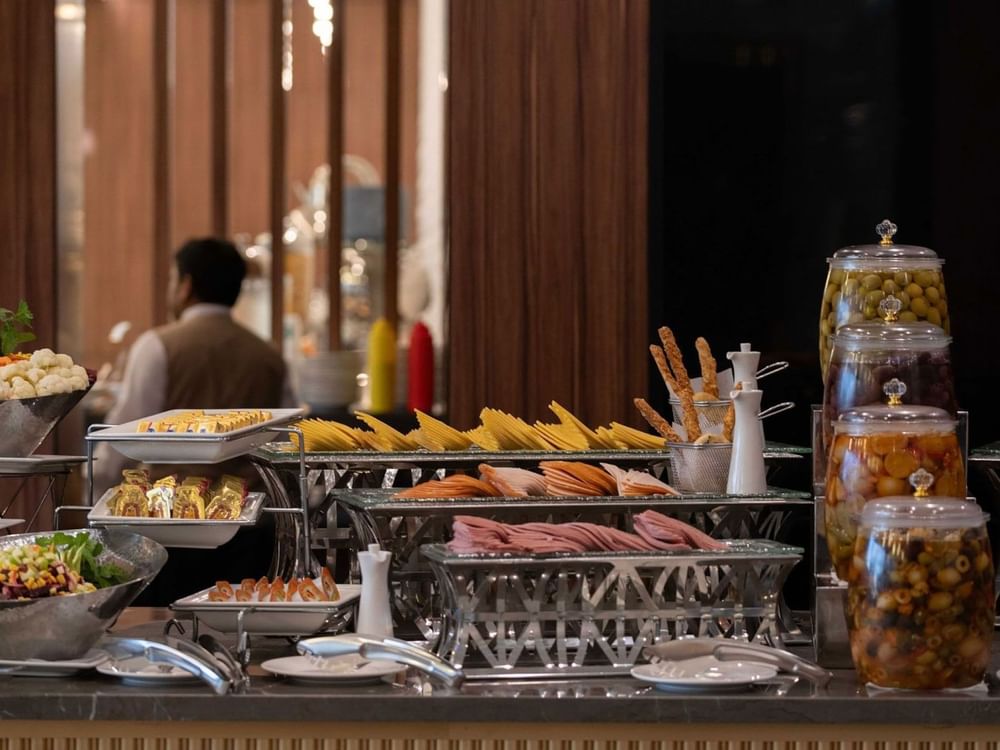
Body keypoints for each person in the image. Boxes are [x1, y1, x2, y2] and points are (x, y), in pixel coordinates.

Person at [93, 238, 295, 601]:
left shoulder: (158, 347)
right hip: (246, 530)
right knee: (237, 628)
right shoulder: (268, 357)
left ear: (186, 285)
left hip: (168, 530)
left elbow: (122, 435)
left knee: (162, 628)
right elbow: (282, 444)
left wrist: (99, 499)